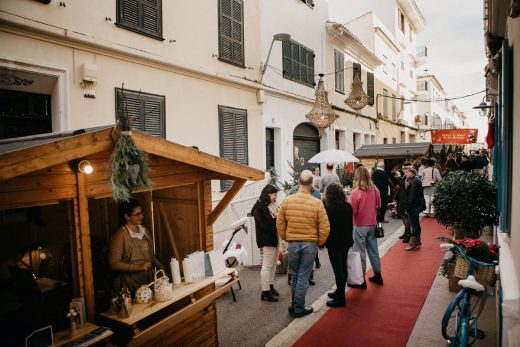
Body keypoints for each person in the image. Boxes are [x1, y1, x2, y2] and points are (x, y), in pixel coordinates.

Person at [277, 170, 330, 318]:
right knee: (302, 277)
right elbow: (325, 227)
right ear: (312, 184)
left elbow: (280, 223)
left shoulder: (287, 201)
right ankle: (299, 308)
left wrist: (286, 237)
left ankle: (294, 305)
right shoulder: (317, 203)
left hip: (293, 243)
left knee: (295, 276)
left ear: (298, 182)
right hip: (310, 244)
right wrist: (320, 242)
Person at [109, 199, 164, 295]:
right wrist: (138, 267)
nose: (141, 216)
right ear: (126, 216)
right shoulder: (120, 235)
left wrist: (162, 270)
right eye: (137, 214)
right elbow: (114, 263)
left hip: (148, 280)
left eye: (141, 213)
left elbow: (150, 256)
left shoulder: (144, 230)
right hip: (130, 284)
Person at [349, 166, 383, 288]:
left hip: (359, 225)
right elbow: (379, 205)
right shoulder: (375, 189)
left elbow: (352, 211)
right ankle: (378, 275)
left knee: (359, 253)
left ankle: (361, 279)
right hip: (372, 224)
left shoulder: (355, 192)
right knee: (374, 251)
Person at [324, 183, 353, 307]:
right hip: (346, 241)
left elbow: (326, 227)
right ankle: (339, 291)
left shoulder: (328, 208)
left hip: (334, 242)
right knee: (343, 266)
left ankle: (341, 298)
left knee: (338, 270)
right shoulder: (348, 206)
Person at [251, 184, 281, 302]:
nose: (276, 197)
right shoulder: (259, 207)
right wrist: (278, 219)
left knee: (273, 265)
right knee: (267, 266)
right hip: (267, 239)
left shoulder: (270, 205)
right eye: (274, 195)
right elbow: (266, 225)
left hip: (274, 238)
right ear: (268, 194)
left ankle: (270, 286)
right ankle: (265, 291)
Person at [402, 166, 426, 251]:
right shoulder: (414, 180)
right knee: (416, 224)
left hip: (413, 206)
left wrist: (407, 208)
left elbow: (411, 196)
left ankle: (412, 243)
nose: (405, 173)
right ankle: (418, 242)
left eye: (407, 172)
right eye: (405, 172)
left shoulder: (414, 181)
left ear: (412, 172)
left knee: (414, 225)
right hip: (416, 205)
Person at [396, 162, 412, 242]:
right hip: (402, 198)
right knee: (403, 216)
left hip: (404, 199)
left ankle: (408, 234)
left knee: (405, 216)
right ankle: (406, 232)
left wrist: (399, 177)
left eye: (403, 168)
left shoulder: (408, 176)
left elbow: (403, 185)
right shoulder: (406, 176)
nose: (402, 170)